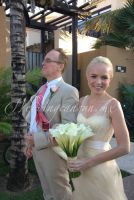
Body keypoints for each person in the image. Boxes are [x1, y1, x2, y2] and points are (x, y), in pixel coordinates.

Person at [68, 56, 130, 200]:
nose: (98, 82)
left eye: (104, 77)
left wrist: (89, 162)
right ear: (87, 76)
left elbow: (125, 147)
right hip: (79, 167)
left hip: (101, 168)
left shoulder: (113, 105)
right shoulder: (81, 101)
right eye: (94, 76)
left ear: (110, 79)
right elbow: (72, 131)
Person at [22, 48, 79, 200]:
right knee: (48, 193)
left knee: (60, 194)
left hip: (53, 152)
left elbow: (68, 128)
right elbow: (30, 117)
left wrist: (37, 139)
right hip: (37, 149)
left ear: (60, 66)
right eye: (44, 60)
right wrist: (30, 142)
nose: (42, 63)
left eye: (48, 60)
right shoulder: (42, 89)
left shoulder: (69, 91)